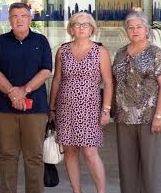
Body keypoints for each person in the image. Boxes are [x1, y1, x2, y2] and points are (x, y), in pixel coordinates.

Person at [0, 3, 52, 193]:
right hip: (5, 108)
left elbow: (46, 70)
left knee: (34, 157)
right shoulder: (0, 42)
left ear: (30, 19)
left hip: (35, 109)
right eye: (15, 16)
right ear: (9, 20)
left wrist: (24, 90)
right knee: (8, 155)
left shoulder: (41, 41)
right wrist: (12, 93)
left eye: (23, 16)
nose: (19, 20)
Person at [49, 11, 112, 193]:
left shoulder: (100, 51)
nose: (81, 28)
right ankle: (77, 191)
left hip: (89, 108)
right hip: (65, 108)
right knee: (69, 151)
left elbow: (108, 83)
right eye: (77, 24)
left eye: (85, 25)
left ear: (92, 29)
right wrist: (51, 108)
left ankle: (101, 191)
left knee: (90, 152)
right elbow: (56, 80)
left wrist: (106, 110)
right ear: (71, 29)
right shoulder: (62, 51)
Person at [112, 11, 161, 193]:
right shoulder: (120, 54)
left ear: (146, 30)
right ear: (126, 31)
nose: (134, 30)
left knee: (150, 169)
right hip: (124, 118)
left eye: (139, 27)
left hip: (149, 118)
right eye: (130, 28)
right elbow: (114, 83)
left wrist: (159, 116)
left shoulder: (155, 53)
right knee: (127, 168)